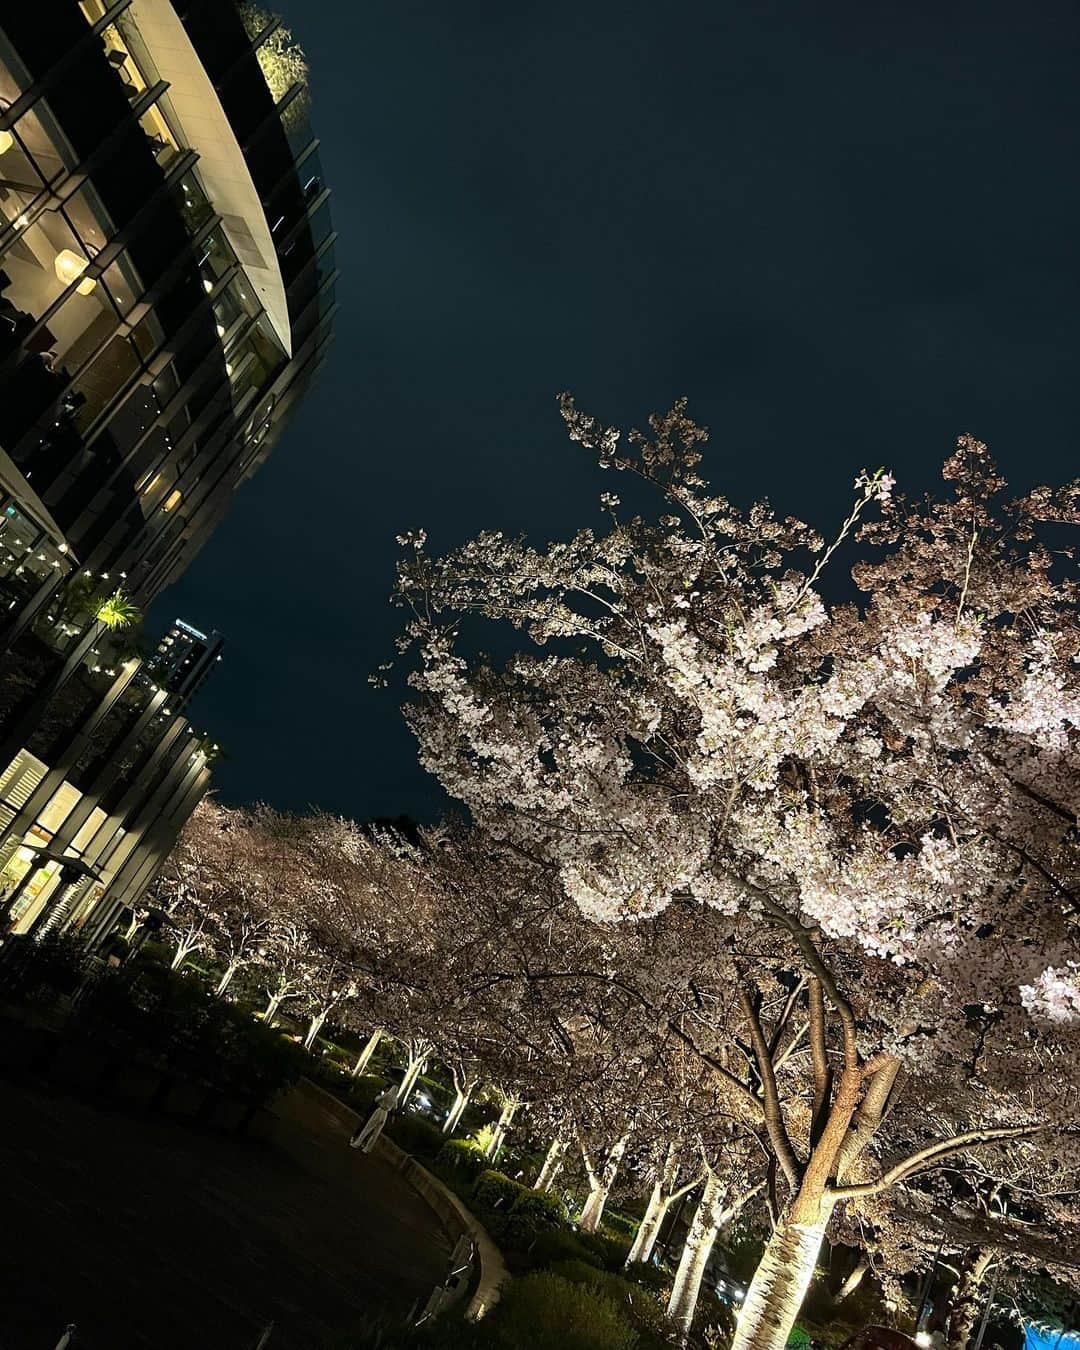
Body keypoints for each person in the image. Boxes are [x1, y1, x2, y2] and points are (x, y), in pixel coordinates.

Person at [349, 1083, 399, 1153]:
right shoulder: (395, 1099)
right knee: (376, 1133)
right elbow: (395, 1107)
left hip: (379, 1111)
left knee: (368, 1128)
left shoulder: (387, 1095)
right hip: (385, 1114)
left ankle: (357, 1143)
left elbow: (377, 1100)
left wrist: (380, 1098)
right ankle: (367, 1148)